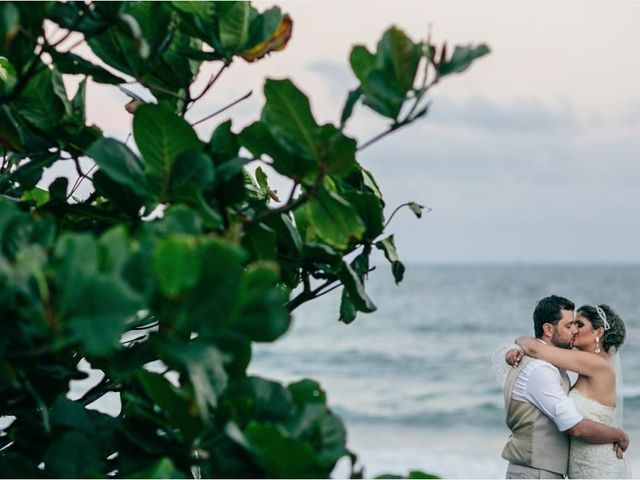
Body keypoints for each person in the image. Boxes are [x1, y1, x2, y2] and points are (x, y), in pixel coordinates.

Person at [496, 295, 629, 479]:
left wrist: (520, 342)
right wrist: (516, 348)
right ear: (549, 329)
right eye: (570, 325)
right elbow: (542, 351)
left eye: (579, 325)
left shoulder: (596, 364)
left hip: (597, 464)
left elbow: (537, 349)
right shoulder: (573, 363)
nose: (574, 330)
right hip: (574, 466)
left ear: (598, 333)